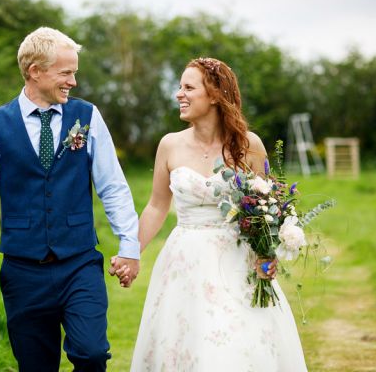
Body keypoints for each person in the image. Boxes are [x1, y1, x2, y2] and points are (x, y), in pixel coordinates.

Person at [0, 27, 141, 372]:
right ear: (35, 71)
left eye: (75, 72)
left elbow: (112, 186)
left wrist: (129, 245)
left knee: (91, 353)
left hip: (79, 262)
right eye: (66, 72)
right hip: (23, 270)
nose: (73, 81)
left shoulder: (87, 117)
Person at [126, 57, 307, 371]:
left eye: (188, 87)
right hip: (185, 262)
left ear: (214, 95)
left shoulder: (249, 146)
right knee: (188, 339)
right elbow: (157, 206)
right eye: (179, 87)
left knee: (235, 342)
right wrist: (130, 252)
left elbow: (269, 207)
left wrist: (268, 253)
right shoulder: (169, 145)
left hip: (237, 261)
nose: (178, 94)